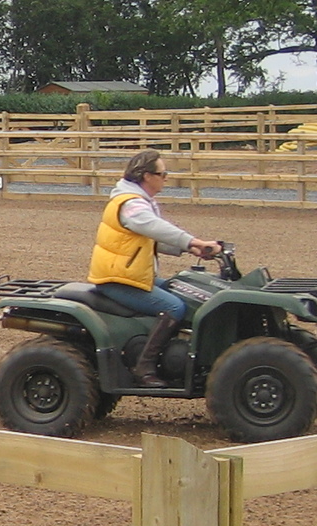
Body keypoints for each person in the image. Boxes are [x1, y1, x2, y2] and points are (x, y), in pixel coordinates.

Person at [87, 148, 222, 387]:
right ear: (146, 176)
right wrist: (192, 241)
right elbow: (154, 227)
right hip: (118, 277)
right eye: (163, 173)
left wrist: (188, 249)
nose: (166, 178)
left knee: (178, 287)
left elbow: (148, 238)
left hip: (130, 273)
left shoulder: (136, 200)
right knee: (174, 306)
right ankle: (144, 366)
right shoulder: (131, 204)